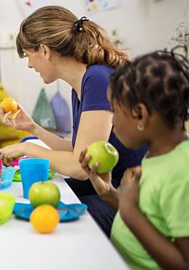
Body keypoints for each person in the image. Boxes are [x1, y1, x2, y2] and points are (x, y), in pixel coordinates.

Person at [0, 5, 146, 236]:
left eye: (28, 55)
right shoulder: (83, 84)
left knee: (39, 219)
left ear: (44, 51)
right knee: (27, 204)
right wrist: (33, 128)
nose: (29, 64)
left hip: (131, 198)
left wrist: (28, 147)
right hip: (109, 185)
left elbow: (80, 168)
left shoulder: (97, 79)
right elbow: (80, 151)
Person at [80, 50, 189, 269]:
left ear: (139, 114)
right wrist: (109, 193)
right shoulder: (159, 154)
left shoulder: (182, 171)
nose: (112, 121)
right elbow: (152, 217)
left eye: (114, 110)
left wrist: (128, 210)